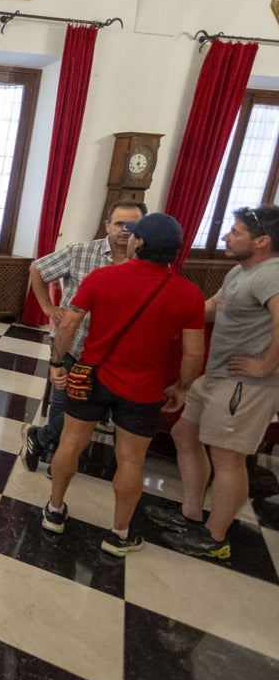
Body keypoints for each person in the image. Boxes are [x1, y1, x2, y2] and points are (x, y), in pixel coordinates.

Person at [43, 213, 205, 556]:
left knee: (70, 444)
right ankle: (118, 534)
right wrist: (182, 387)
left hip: (92, 376)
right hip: (144, 388)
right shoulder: (189, 294)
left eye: (133, 235)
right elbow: (193, 353)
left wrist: (58, 362)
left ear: (140, 242)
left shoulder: (103, 277)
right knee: (131, 460)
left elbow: (69, 325)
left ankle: (55, 510)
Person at [149, 206, 279, 560]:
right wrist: (158, 311)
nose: (226, 236)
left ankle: (215, 536)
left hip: (246, 384)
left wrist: (265, 365)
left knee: (227, 456)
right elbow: (209, 308)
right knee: (183, 434)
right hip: (219, 375)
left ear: (262, 241)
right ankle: (191, 513)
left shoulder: (272, 274)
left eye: (235, 232)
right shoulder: (242, 270)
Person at [24, 201, 146, 473]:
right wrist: (47, 307)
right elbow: (38, 269)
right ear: (107, 225)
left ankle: (42, 439)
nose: (125, 231)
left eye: (133, 226)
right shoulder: (80, 252)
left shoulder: (147, 260)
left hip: (116, 350)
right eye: (118, 224)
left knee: (95, 406)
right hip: (74, 344)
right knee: (62, 402)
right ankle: (57, 459)